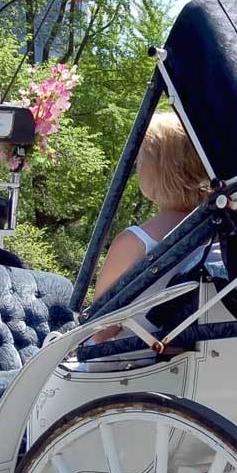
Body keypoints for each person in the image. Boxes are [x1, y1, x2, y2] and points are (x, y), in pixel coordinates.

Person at [91, 111, 214, 344]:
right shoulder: (225, 237)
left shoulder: (133, 242)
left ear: (152, 172)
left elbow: (100, 331)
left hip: (130, 363)